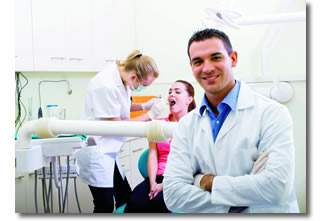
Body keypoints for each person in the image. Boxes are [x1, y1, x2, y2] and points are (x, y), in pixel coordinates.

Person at [163, 28, 299, 213]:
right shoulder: (186, 125)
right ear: (192, 67)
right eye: (198, 61)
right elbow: (173, 195)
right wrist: (242, 197)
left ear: (233, 59)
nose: (207, 68)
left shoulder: (273, 114)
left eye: (216, 57)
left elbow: (276, 186)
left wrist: (203, 181)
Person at [76, 50, 162, 213]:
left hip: (109, 150)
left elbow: (120, 105)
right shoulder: (105, 84)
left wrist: (144, 106)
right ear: (134, 77)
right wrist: (149, 115)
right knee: (104, 206)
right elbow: (118, 125)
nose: (141, 89)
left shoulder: (123, 77)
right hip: (98, 149)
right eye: (143, 86)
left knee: (124, 197)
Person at [124, 80, 196, 213]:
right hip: (157, 177)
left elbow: (196, 164)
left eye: (177, 91)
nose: (171, 94)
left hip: (181, 179)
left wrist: (164, 185)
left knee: (158, 204)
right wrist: (153, 183)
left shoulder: (196, 126)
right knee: (135, 201)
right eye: (170, 91)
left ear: (189, 99)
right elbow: (153, 154)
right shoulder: (159, 125)